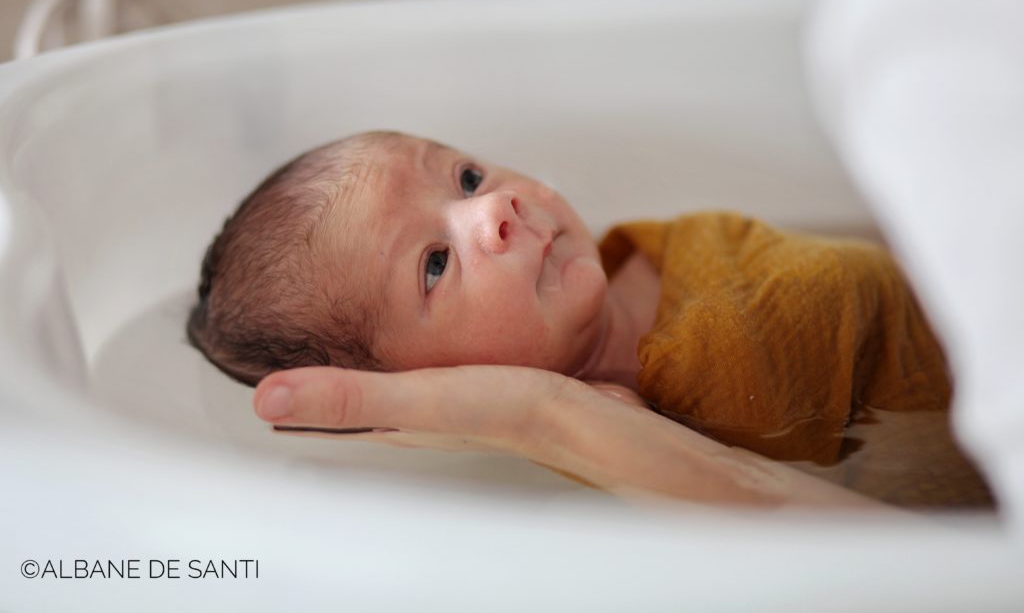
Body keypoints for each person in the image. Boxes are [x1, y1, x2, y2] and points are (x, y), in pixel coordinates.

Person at [189, 130, 989, 507]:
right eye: (434, 263)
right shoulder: (633, 415)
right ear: (429, 388)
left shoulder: (632, 255)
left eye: (465, 177)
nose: (495, 208)